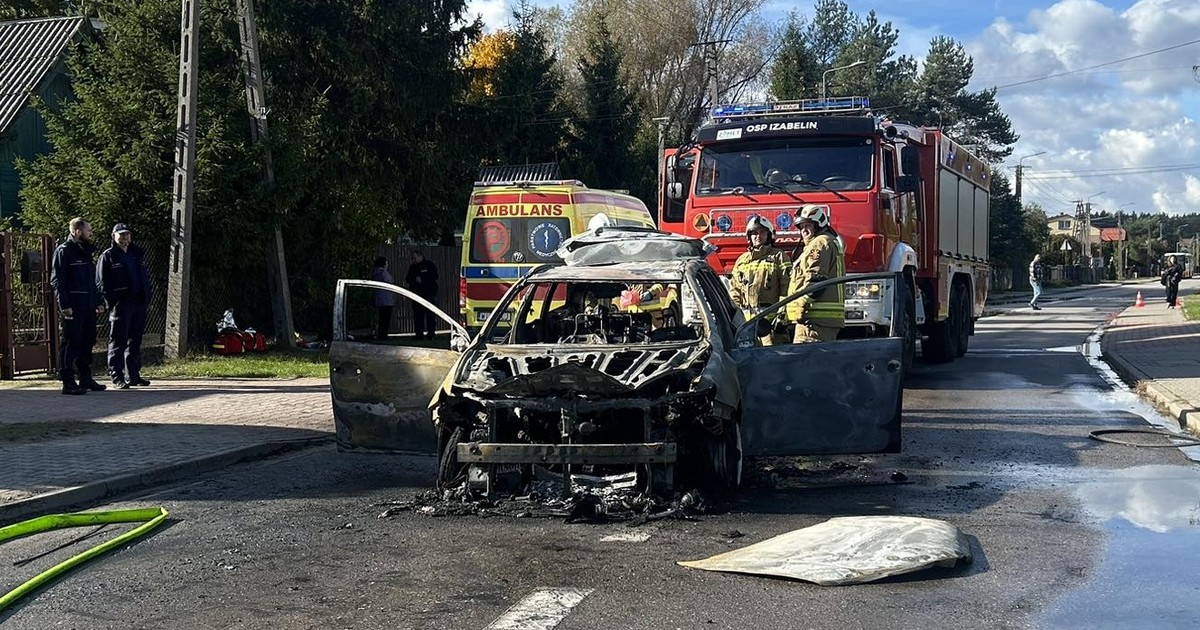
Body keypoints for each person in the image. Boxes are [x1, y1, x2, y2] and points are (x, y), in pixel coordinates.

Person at [50, 217, 106, 395]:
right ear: (78, 232)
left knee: (87, 341)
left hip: (88, 305)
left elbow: (91, 281)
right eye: (89, 230)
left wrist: (97, 301)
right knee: (71, 343)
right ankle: (68, 381)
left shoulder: (85, 251)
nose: (91, 234)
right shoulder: (64, 251)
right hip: (73, 306)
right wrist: (64, 304)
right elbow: (58, 280)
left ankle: (85, 377)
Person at [97, 223, 152, 388]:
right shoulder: (108, 256)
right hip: (121, 305)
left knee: (135, 341)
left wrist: (147, 295)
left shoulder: (137, 255)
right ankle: (117, 377)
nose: (125, 238)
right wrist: (111, 301)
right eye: (121, 235)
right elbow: (101, 282)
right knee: (118, 341)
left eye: (127, 234)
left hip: (139, 303)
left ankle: (133, 375)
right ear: (113, 237)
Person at [786, 204, 844, 343]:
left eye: (808, 225)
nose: (804, 230)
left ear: (819, 224)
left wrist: (801, 304)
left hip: (813, 320)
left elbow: (816, 281)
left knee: (805, 362)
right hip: (818, 320)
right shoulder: (827, 242)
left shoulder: (819, 243)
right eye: (801, 226)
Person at [729, 216, 791, 344]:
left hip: (771, 326)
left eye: (762, 232)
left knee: (773, 360)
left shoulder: (779, 257)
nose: (758, 236)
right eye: (754, 233)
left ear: (769, 235)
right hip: (746, 327)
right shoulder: (741, 261)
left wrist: (782, 316)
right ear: (749, 237)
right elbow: (735, 293)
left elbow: (788, 288)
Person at [405, 250, 439, 339]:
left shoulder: (429, 265)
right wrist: (414, 280)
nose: (413, 260)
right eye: (412, 258)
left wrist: (423, 279)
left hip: (429, 294)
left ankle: (431, 334)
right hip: (417, 295)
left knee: (430, 315)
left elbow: (435, 276)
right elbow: (408, 279)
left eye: (415, 258)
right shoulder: (412, 267)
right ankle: (419, 334)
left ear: (420, 257)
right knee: (418, 316)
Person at [371, 256, 396, 340]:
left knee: (381, 318)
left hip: (379, 299)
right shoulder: (383, 272)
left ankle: (380, 334)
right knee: (386, 319)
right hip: (386, 299)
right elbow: (390, 281)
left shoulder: (375, 272)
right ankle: (383, 335)